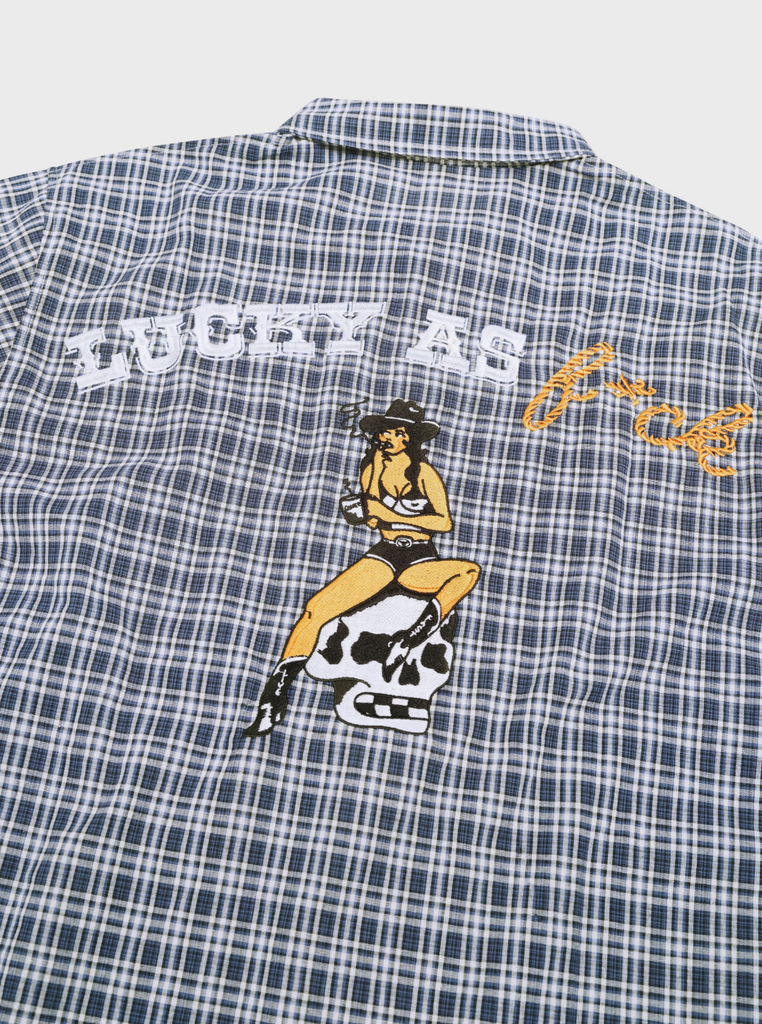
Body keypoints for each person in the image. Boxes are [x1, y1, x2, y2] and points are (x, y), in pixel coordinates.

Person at [243, 399, 481, 736]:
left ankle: (411, 638)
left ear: (410, 439)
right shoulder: (371, 469)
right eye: (386, 432)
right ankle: (274, 697)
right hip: (385, 553)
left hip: (420, 557)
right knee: (316, 609)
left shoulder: (423, 473)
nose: (389, 438)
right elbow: (373, 519)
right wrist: (363, 512)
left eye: (398, 433)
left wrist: (388, 514)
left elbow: (443, 522)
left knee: (468, 572)